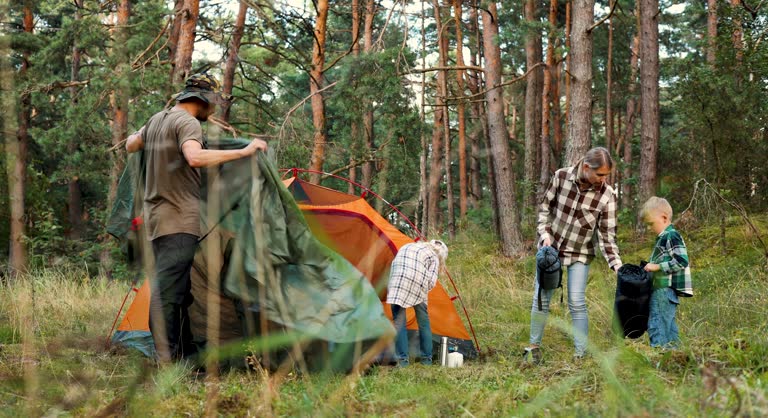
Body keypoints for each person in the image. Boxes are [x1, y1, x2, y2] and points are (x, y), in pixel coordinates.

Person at [125, 72, 268, 363]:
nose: (213, 109)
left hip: (156, 221)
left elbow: (130, 144)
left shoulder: (158, 118)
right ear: (203, 100)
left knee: (180, 288)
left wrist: (151, 136)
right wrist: (244, 152)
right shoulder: (188, 122)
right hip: (178, 220)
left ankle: (184, 351)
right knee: (169, 292)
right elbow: (194, 157)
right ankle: (168, 359)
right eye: (213, 103)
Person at [524, 147, 623, 364]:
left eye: (606, 175)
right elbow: (544, 210)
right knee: (541, 298)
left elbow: (607, 236)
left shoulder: (607, 195)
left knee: (577, 302)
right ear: (586, 167)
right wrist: (545, 235)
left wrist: (616, 265)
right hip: (552, 252)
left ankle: (581, 354)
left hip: (580, 253)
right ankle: (533, 349)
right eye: (600, 174)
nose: (604, 179)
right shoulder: (561, 176)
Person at [386, 239, 448, 367]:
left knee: (399, 322)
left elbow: (394, 265)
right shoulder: (434, 257)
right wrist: (422, 294)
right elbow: (431, 282)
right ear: (442, 255)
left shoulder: (409, 245)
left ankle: (402, 362)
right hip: (417, 282)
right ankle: (427, 360)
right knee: (423, 322)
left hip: (397, 280)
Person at [641, 196, 693, 348]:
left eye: (651, 224)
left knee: (657, 324)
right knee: (668, 326)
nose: (649, 228)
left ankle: (660, 358)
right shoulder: (664, 237)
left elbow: (681, 261)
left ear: (663, 218)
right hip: (665, 290)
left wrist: (656, 267)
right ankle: (674, 357)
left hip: (663, 289)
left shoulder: (671, 235)